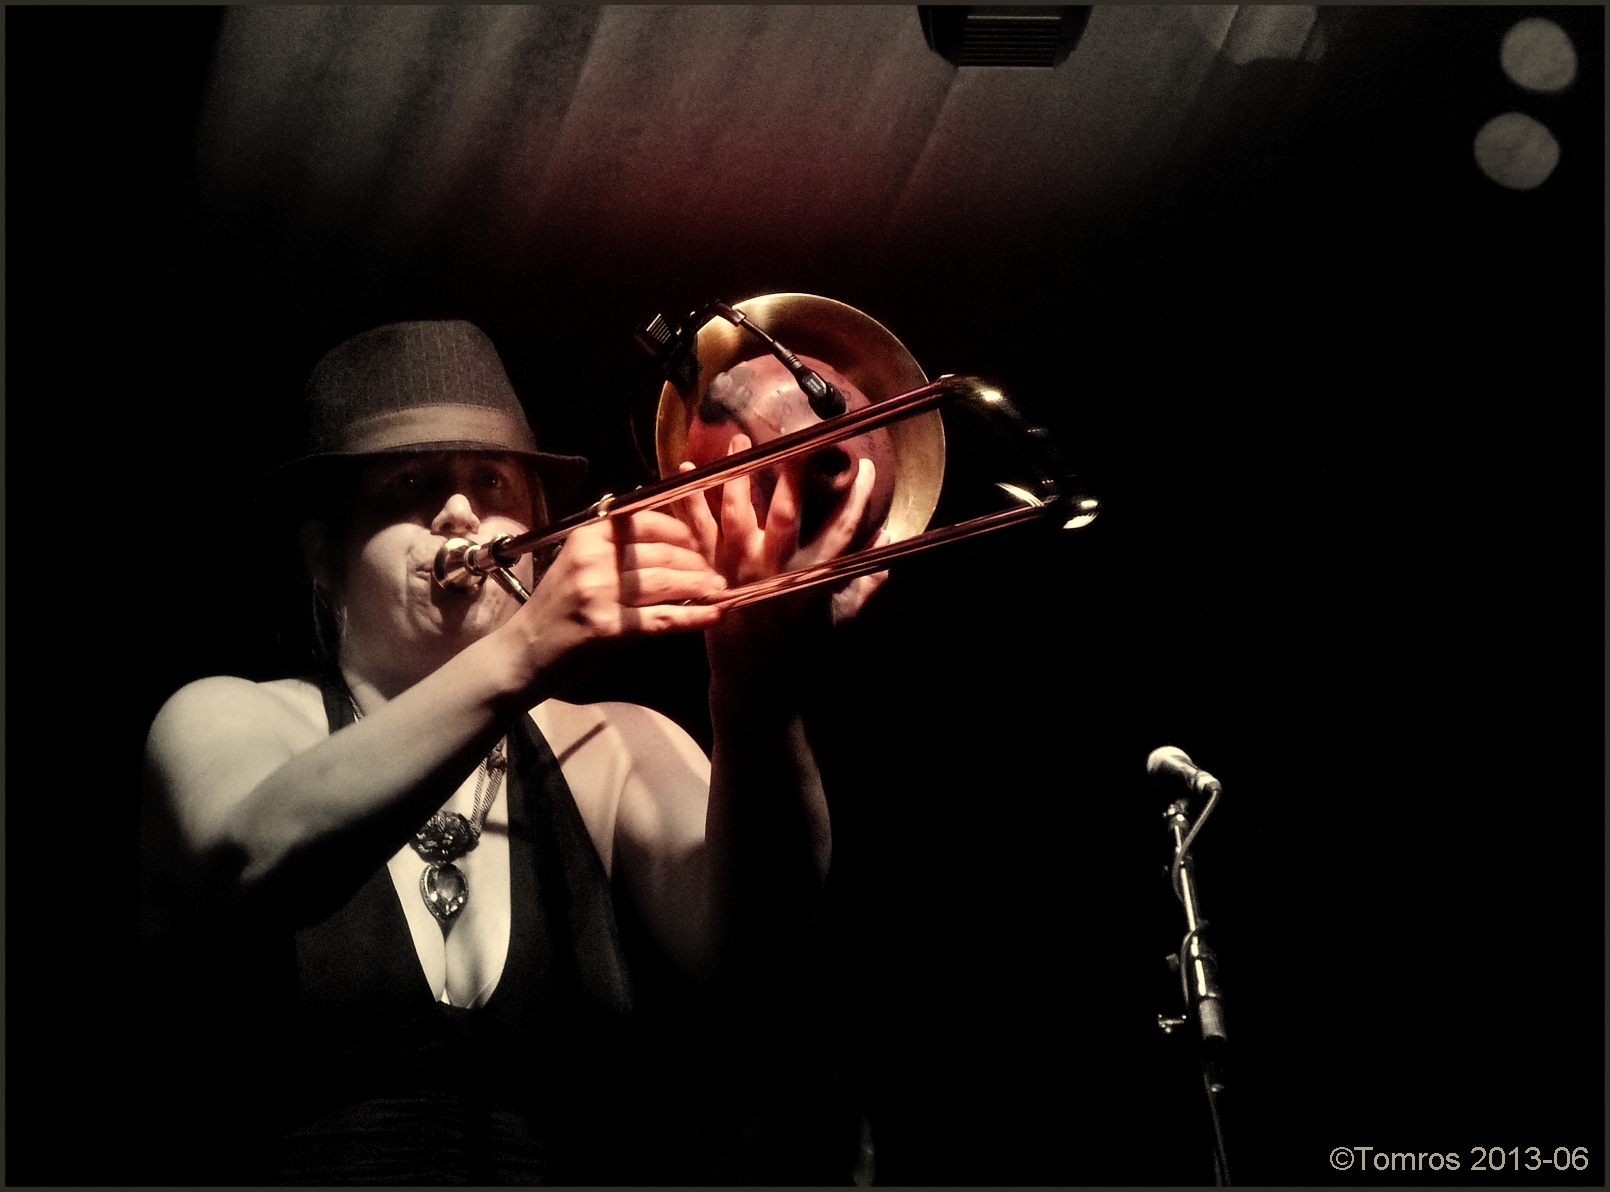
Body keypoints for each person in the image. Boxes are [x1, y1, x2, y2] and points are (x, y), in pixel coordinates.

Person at [139, 319, 886, 1183]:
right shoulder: (224, 716)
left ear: (535, 525)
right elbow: (250, 863)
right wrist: (526, 649)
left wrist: (755, 693)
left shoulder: (612, 744)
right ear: (323, 551)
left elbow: (754, 950)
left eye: (490, 481)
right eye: (410, 482)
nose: (460, 512)